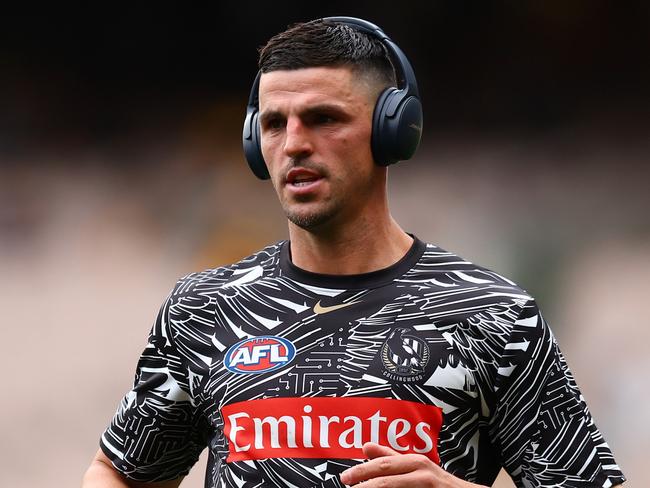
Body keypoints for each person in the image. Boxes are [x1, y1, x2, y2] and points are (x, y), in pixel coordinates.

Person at [82, 17, 626, 488]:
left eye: (323, 118)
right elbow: (119, 472)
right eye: (274, 123)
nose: (294, 143)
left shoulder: (495, 315)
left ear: (393, 131)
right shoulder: (204, 308)